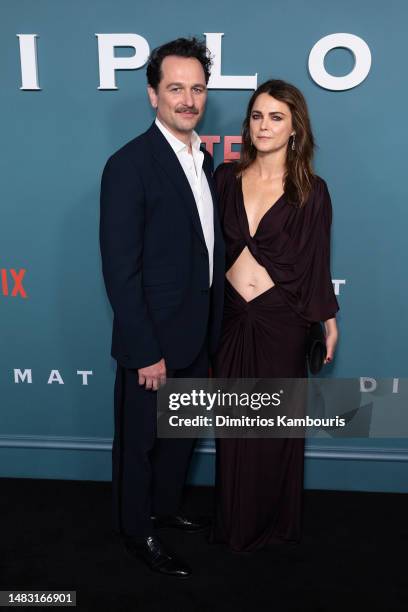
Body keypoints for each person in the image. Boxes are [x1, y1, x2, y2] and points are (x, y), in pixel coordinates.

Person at [99, 37, 225, 577]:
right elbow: (120, 269)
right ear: (153, 95)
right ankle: (136, 531)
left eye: (197, 88)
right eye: (176, 88)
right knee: (140, 445)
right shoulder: (129, 165)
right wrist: (145, 349)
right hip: (151, 343)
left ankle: (165, 509)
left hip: (198, 333)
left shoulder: (207, 159)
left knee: (181, 437)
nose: (188, 99)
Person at [211, 79, 339, 552]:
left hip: (281, 321)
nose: (264, 125)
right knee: (232, 429)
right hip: (230, 318)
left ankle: (274, 522)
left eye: (276, 117)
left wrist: (327, 319)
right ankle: (234, 523)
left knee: (272, 429)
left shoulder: (311, 191)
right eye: (258, 116)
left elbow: (316, 264)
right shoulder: (223, 179)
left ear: (294, 128)